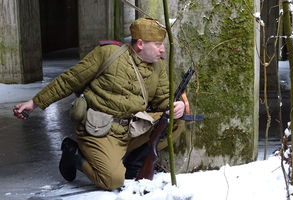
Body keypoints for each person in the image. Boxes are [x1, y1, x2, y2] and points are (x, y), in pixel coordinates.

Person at [13, 18, 185, 190]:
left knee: (175, 123)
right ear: (140, 44)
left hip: (132, 129)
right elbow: (69, 80)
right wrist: (35, 103)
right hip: (100, 131)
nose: (162, 49)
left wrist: (177, 107)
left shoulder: (158, 66)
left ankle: (133, 164)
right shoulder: (109, 53)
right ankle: (73, 154)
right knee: (113, 181)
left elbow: (163, 102)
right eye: (157, 44)